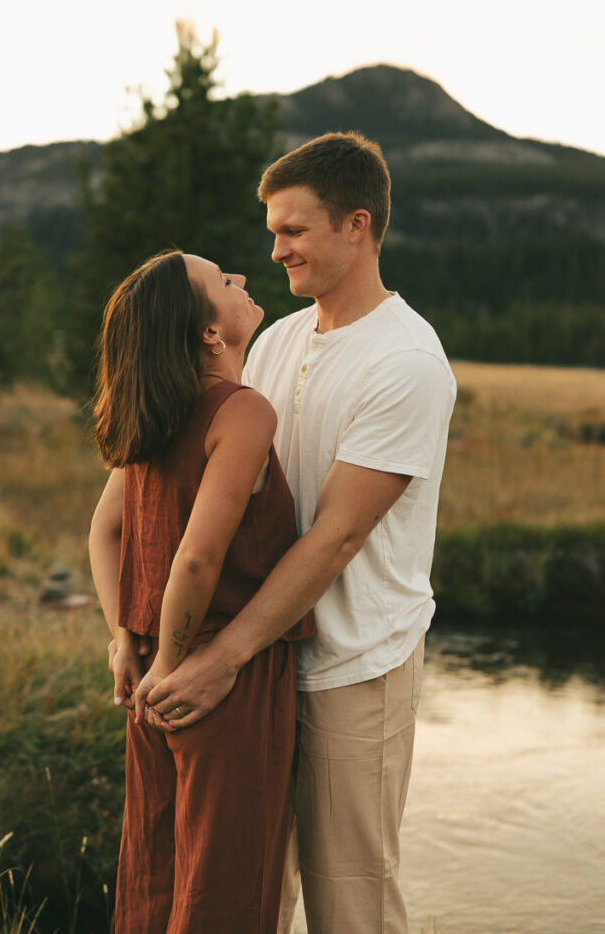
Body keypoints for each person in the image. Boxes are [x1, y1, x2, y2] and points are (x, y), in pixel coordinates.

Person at [146, 132, 457, 934]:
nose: (274, 250)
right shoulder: (279, 340)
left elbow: (336, 538)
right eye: (272, 231)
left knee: (348, 899)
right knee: (252, 891)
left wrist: (222, 655)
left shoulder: (406, 362)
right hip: (263, 662)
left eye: (293, 231)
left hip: (354, 663)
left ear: (357, 226)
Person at [88, 249, 314, 934]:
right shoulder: (240, 411)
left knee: (156, 873)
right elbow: (196, 559)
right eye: (222, 281)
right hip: (217, 678)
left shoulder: (155, 411)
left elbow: (103, 534)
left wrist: (126, 641)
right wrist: (169, 664)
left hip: (154, 670)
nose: (241, 280)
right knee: (223, 885)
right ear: (209, 333)